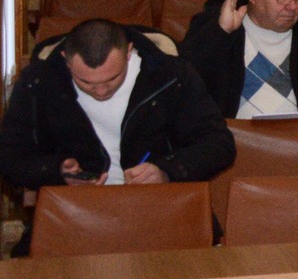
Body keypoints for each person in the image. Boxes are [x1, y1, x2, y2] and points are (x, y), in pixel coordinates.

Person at [0, 19, 235, 195]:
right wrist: (56, 171)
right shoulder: (39, 82)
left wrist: (166, 171)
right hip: (75, 206)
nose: (101, 91)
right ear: (66, 59)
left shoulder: (172, 76)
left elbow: (218, 144)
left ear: (129, 53)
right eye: (86, 83)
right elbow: (10, 158)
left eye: (112, 79)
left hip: (158, 201)